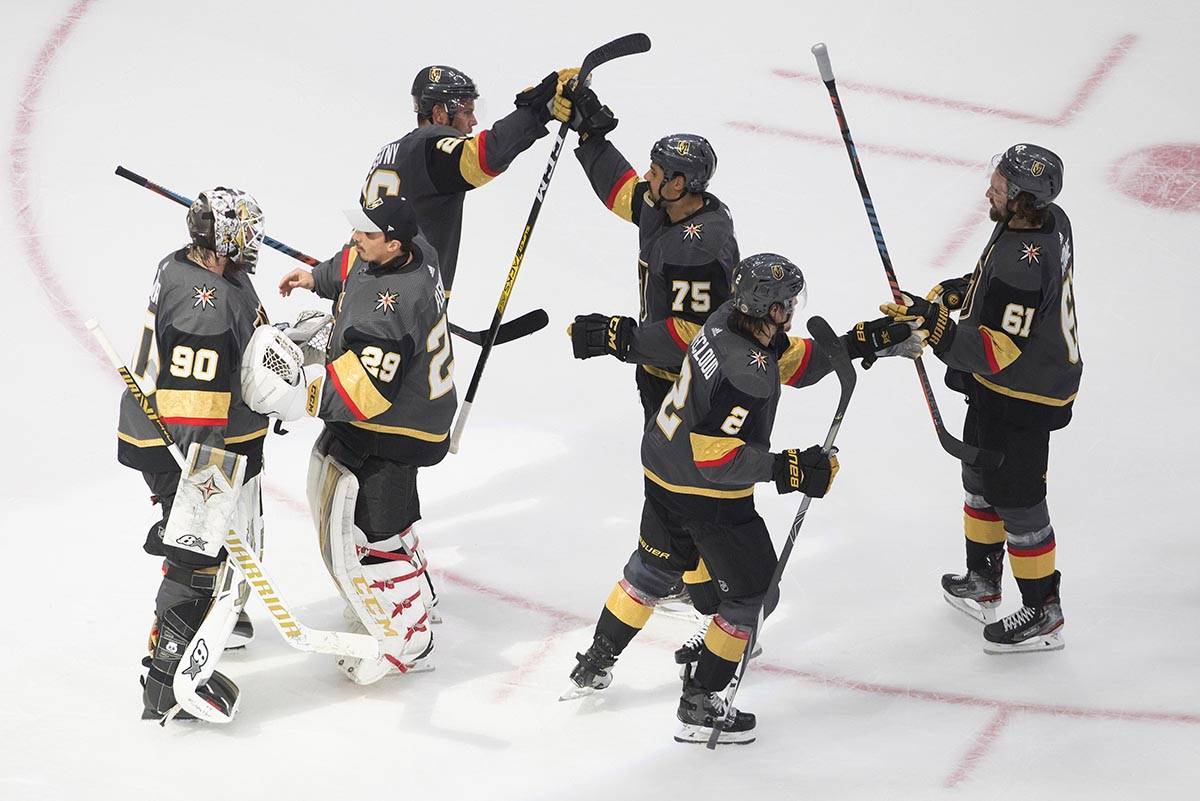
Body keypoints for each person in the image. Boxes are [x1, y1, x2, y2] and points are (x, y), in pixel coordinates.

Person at [564, 253, 917, 744]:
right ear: (772, 309)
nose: (793, 308)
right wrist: (788, 468)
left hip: (662, 469)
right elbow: (715, 457)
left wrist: (864, 339)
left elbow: (792, 360)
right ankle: (701, 701)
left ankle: (595, 663)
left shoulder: (724, 320)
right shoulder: (747, 372)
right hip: (706, 495)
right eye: (788, 302)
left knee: (652, 570)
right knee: (751, 596)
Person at [881, 143, 1081, 653]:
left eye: (997, 187)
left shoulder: (1023, 260)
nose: (987, 192)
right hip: (1001, 390)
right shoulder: (1041, 221)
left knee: (1019, 499)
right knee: (979, 477)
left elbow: (995, 352)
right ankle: (984, 580)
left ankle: (1043, 610)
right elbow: (993, 288)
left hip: (1025, 394)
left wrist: (935, 325)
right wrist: (954, 295)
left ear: (1022, 199)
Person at [247, 193, 454, 684]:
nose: (355, 240)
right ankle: (415, 595)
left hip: (397, 428)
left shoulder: (394, 308)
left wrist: (301, 395)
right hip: (409, 410)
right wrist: (316, 277)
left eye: (366, 234)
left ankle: (410, 638)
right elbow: (350, 265)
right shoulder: (413, 249)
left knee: (372, 535)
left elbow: (367, 393)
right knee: (388, 521)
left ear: (394, 243)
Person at [565, 82, 741, 641]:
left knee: (682, 491)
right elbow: (622, 191)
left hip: (692, 387)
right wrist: (591, 137)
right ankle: (694, 582)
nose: (648, 176)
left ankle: (720, 606)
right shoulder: (662, 203)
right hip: (659, 378)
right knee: (672, 485)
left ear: (683, 183)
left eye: (658, 169)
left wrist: (622, 338)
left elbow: (696, 335)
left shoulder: (700, 244)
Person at [117, 187, 269, 722]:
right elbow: (192, 404)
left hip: (206, 434)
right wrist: (202, 488)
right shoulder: (204, 303)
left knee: (223, 547)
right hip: (190, 445)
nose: (255, 240)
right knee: (197, 552)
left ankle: (211, 627)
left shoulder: (206, 271)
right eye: (245, 231)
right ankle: (165, 683)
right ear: (222, 237)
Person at [357, 64, 577, 297]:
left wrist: (331, 278)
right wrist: (536, 113)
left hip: (363, 291)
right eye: (466, 112)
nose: (473, 121)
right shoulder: (432, 148)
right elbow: (485, 157)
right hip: (402, 304)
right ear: (439, 113)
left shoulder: (389, 153)